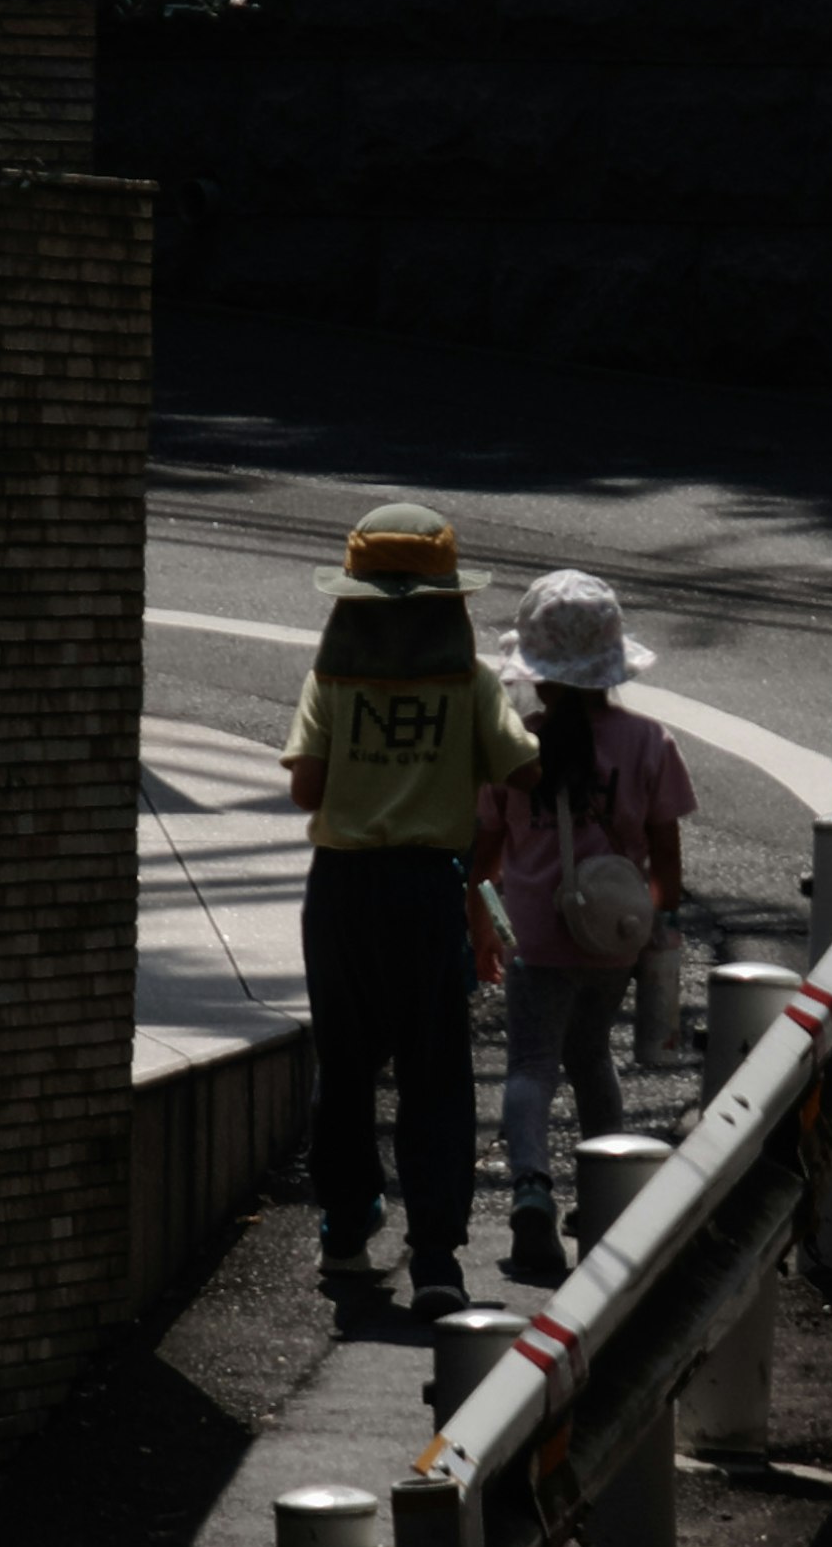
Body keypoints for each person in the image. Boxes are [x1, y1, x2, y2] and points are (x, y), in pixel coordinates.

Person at [279, 498, 538, 1320]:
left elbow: (305, 787)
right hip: (428, 887)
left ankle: (348, 1226)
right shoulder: (471, 681)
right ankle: (435, 1258)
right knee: (434, 1072)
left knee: (347, 1064)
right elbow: (523, 773)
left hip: (344, 886)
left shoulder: (330, 680)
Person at [468, 569, 697, 1288]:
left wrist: (483, 924)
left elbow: (483, 854)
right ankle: (603, 1191)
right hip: (615, 931)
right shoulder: (646, 742)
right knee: (593, 1056)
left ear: (537, 674)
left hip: (537, 934)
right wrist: (654, 924)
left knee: (532, 1065)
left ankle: (532, 1190)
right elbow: (666, 853)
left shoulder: (516, 744)